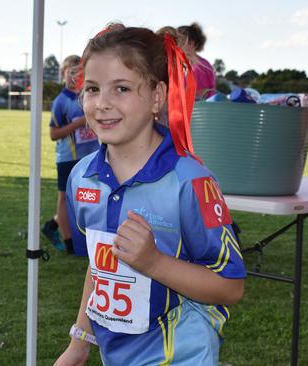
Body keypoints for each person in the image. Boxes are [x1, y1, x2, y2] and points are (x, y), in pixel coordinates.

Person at [55, 25, 245, 365]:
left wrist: (154, 262)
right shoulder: (83, 176)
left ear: (158, 96)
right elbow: (100, 267)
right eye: (92, 89)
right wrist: (80, 342)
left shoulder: (190, 181)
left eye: (122, 88)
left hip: (181, 357)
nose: (102, 104)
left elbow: (230, 288)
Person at [41, 55, 99, 254]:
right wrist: (76, 124)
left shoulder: (89, 95)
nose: (76, 75)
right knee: (65, 199)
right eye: (71, 71)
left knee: (86, 198)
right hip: (68, 157)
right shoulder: (61, 101)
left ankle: (54, 225)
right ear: (64, 74)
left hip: (90, 155)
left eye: (79, 71)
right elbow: (53, 133)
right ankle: (69, 243)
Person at [178, 22, 216, 99]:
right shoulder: (186, 65)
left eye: (179, 41)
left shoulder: (200, 67)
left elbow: (203, 94)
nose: (176, 45)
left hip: (199, 110)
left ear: (191, 43)